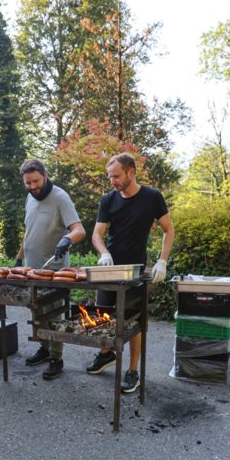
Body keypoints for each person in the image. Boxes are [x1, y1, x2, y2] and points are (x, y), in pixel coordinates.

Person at [87, 152, 174, 394]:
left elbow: (168, 229)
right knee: (103, 315)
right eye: (109, 176)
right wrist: (104, 253)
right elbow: (97, 235)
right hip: (110, 269)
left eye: (116, 176)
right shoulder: (108, 200)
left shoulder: (152, 197)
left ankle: (133, 370)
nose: (112, 181)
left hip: (135, 270)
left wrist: (162, 261)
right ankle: (106, 354)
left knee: (133, 321)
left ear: (131, 172)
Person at [14, 159, 85, 380]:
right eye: (28, 183)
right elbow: (29, 232)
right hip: (32, 270)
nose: (32, 187)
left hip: (55, 270)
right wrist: (19, 260)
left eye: (36, 181)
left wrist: (67, 239)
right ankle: (44, 348)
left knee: (54, 315)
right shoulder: (30, 198)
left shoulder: (60, 197)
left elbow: (79, 230)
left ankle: (56, 358)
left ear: (45, 175)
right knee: (37, 311)